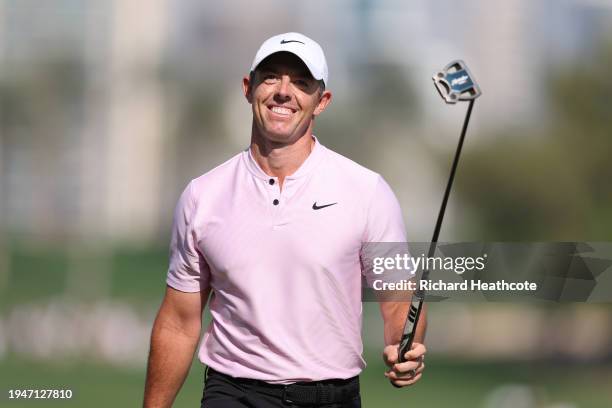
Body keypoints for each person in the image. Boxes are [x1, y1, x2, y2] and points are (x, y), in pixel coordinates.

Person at [143, 32, 427, 408]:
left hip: (331, 396)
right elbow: (179, 322)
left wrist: (403, 346)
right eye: (272, 76)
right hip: (233, 392)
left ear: (321, 102)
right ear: (249, 88)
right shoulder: (202, 196)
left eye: (301, 83)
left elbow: (398, 301)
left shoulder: (367, 191)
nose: (283, 91)